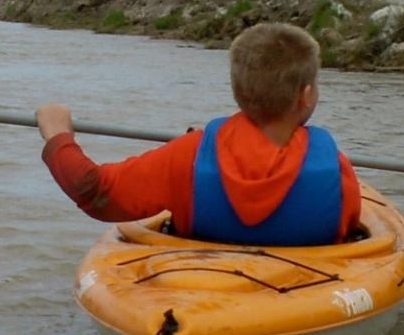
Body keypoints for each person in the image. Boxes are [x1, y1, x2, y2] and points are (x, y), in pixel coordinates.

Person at [36, 21, 362, 244]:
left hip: (201, 294)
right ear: (306, 96)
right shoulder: (337, 168)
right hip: (303, 298)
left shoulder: (188, 156)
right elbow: (348, 232)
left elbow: (93, 192)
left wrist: (57, 133)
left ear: (238, 90)